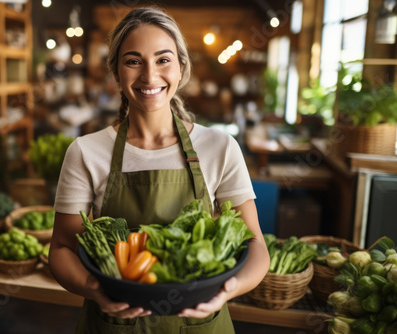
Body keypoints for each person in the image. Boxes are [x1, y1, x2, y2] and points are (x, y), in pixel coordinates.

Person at [49, 7, 270, 333]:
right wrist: (95, 290)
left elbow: (255, 246)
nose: (149, 76)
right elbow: (62, 249)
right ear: (116, 73)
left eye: (163, 60)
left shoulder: (220, 147)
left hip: (200, 322)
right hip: (113, 322)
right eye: (133, 61)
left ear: (181, 68)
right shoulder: (86, 152)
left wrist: (227, 291)